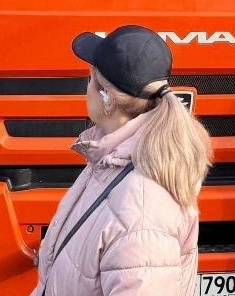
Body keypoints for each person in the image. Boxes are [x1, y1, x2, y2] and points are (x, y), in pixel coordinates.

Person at [32, 25, 212, 296]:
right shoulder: (110, 162)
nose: (86, 89)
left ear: (107, 98)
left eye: (90, 80)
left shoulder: (141, 210)